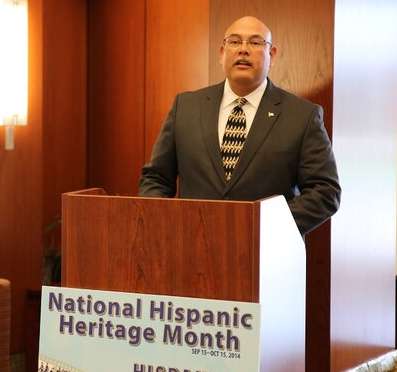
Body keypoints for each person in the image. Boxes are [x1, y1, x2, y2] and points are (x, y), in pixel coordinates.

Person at [139, 15, 341, 236]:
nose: (243, 49)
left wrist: (260, 224)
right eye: (234, 41)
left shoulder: (302, 115)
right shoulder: (186, 107)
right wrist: (162, 221)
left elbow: (325, 192)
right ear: (222, 52)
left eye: (255, 43)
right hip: (190, 247)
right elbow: (156, 178)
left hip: (266, 253)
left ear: (272, 55)